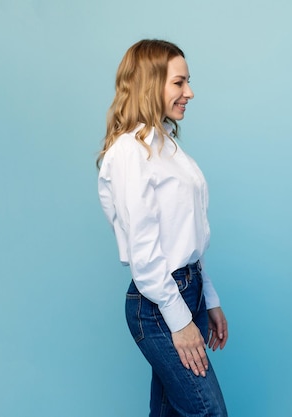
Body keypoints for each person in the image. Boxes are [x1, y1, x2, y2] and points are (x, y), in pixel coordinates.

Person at [97, 39, 228, 417]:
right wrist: (179, 318)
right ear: (150, 84)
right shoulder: (128, 152)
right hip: (160, 302)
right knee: (207, 411)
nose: (189, 92)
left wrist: (211, 298)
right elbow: (144, 250)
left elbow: (187, 235)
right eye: (179, 82)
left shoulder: (167, 145)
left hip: (191, 290)